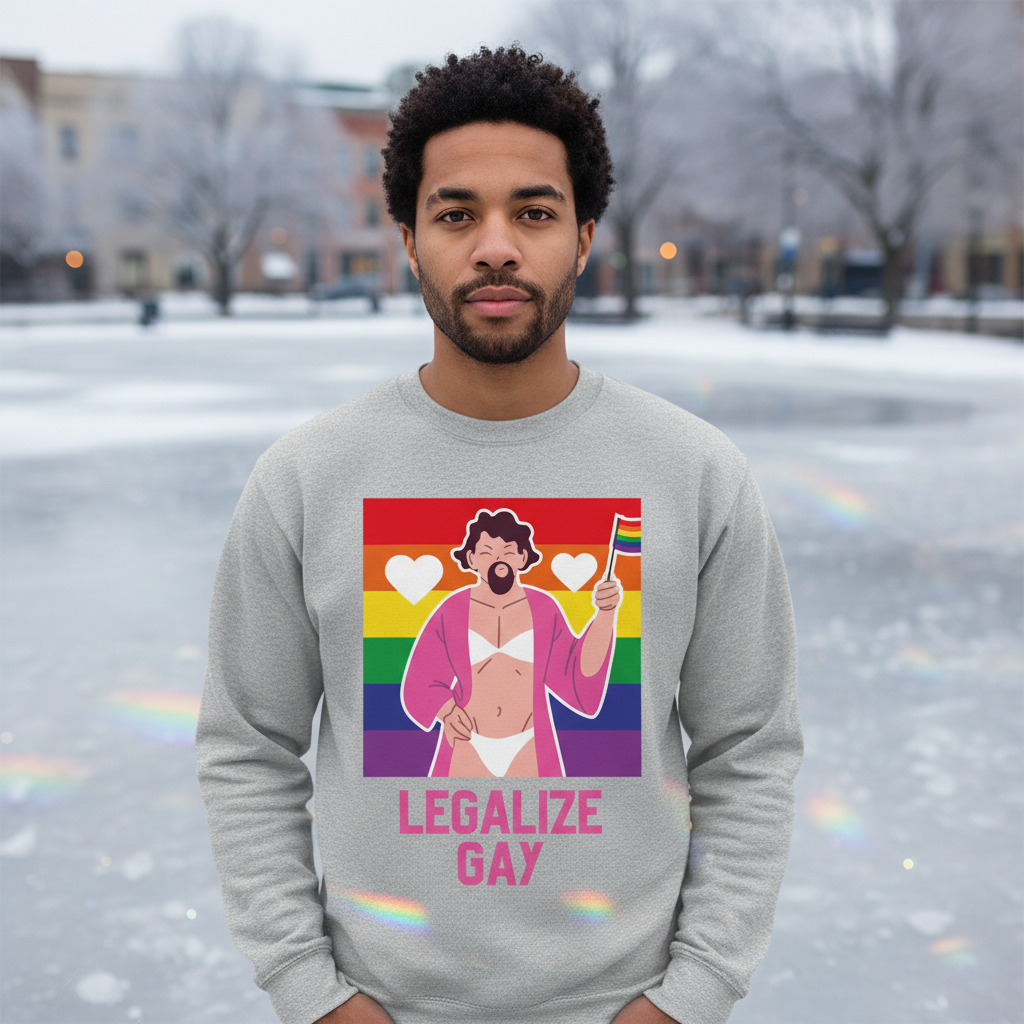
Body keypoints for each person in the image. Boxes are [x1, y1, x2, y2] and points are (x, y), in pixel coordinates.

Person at [197, 46, 802, 1024]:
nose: (494, 247)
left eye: (532, 211)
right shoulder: (307, 479)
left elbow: (745, 746)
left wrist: (688, 996)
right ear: (406, 236)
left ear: (584, 233)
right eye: (454, 213)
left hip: (626, 1004)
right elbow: (247, 746)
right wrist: (313, 994)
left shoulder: (694, 473)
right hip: (380, 1005)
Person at [400, 507, 621, 778]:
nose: (498, 559)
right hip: (468, 742)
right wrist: (445, 711)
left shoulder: (544, 607)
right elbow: (420, 679)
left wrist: (606, 614)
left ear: (522, 557)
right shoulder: (451, 609)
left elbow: (578, 676)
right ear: (471, 559)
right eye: (486, 552)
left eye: (508, 551)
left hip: (529, 745)